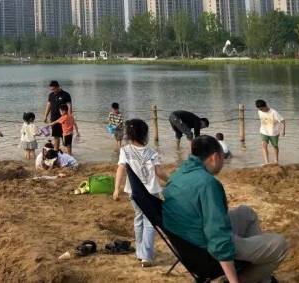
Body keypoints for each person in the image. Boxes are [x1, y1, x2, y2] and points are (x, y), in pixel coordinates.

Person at [163, 135, 288, 283]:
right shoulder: (208, 184)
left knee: (246, 213)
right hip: (205, 251)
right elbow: (218, 236)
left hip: (186, 244)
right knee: (281, 244)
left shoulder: (177, 175)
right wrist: (233, 279)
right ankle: (245, 278)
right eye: (223, 158)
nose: (223, 162)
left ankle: (258, 272)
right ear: (215, 157)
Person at [113, 119, 168, 267]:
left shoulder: (125, 150)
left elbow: (120, 169)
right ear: (145, 135)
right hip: (151, 193)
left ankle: (140, 252)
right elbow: (159, 172)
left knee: (138, 219)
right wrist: (171, 180)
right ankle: (146, 257)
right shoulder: (152, 152)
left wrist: (116, 189)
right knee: (150, 222)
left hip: (134, 193)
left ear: (129, 135)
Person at [43, 81, 72, 151]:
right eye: (51, 89)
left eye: (53, 89)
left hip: (64, 119)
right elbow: (48, 105)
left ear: (58, 87)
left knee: (65, 137)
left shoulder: (66, 94)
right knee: (56, 136)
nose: (52, 91)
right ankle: (56, 152)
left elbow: (69, 106)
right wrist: (45, 116)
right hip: (53, 118)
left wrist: (69, 117)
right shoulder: (51, 95)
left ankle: (68, 154)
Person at [256, 100, 285, 165]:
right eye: (260, 109)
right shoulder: (259, 111)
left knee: (275, 146)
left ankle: (276, 161)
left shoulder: (274, 112)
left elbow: (283, 121)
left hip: (273, 133)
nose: (261, 110)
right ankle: (266, 162)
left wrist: (283, 130)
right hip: (263, 132)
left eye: (262, 109)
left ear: (265, 105)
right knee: (264, 145)